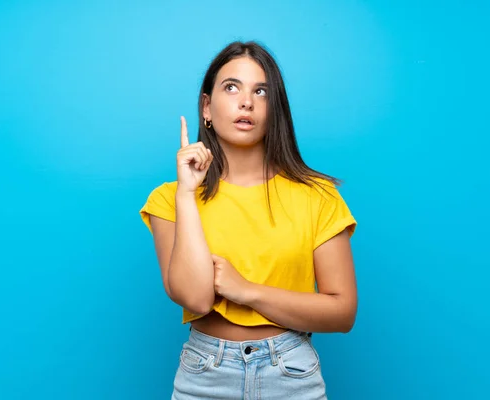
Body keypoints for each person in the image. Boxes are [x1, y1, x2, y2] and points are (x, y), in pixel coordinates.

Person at [139, 41, 358, 400]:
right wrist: (186, 194)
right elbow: (195, 298)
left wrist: (248, 292)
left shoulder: (317, 196)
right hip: (204, 375)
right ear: (206, 107)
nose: (246, 102)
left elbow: (342, 312)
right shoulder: (169, 199)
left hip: (291, 373)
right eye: (231, 87)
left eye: (261, 91)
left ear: (275, 110)